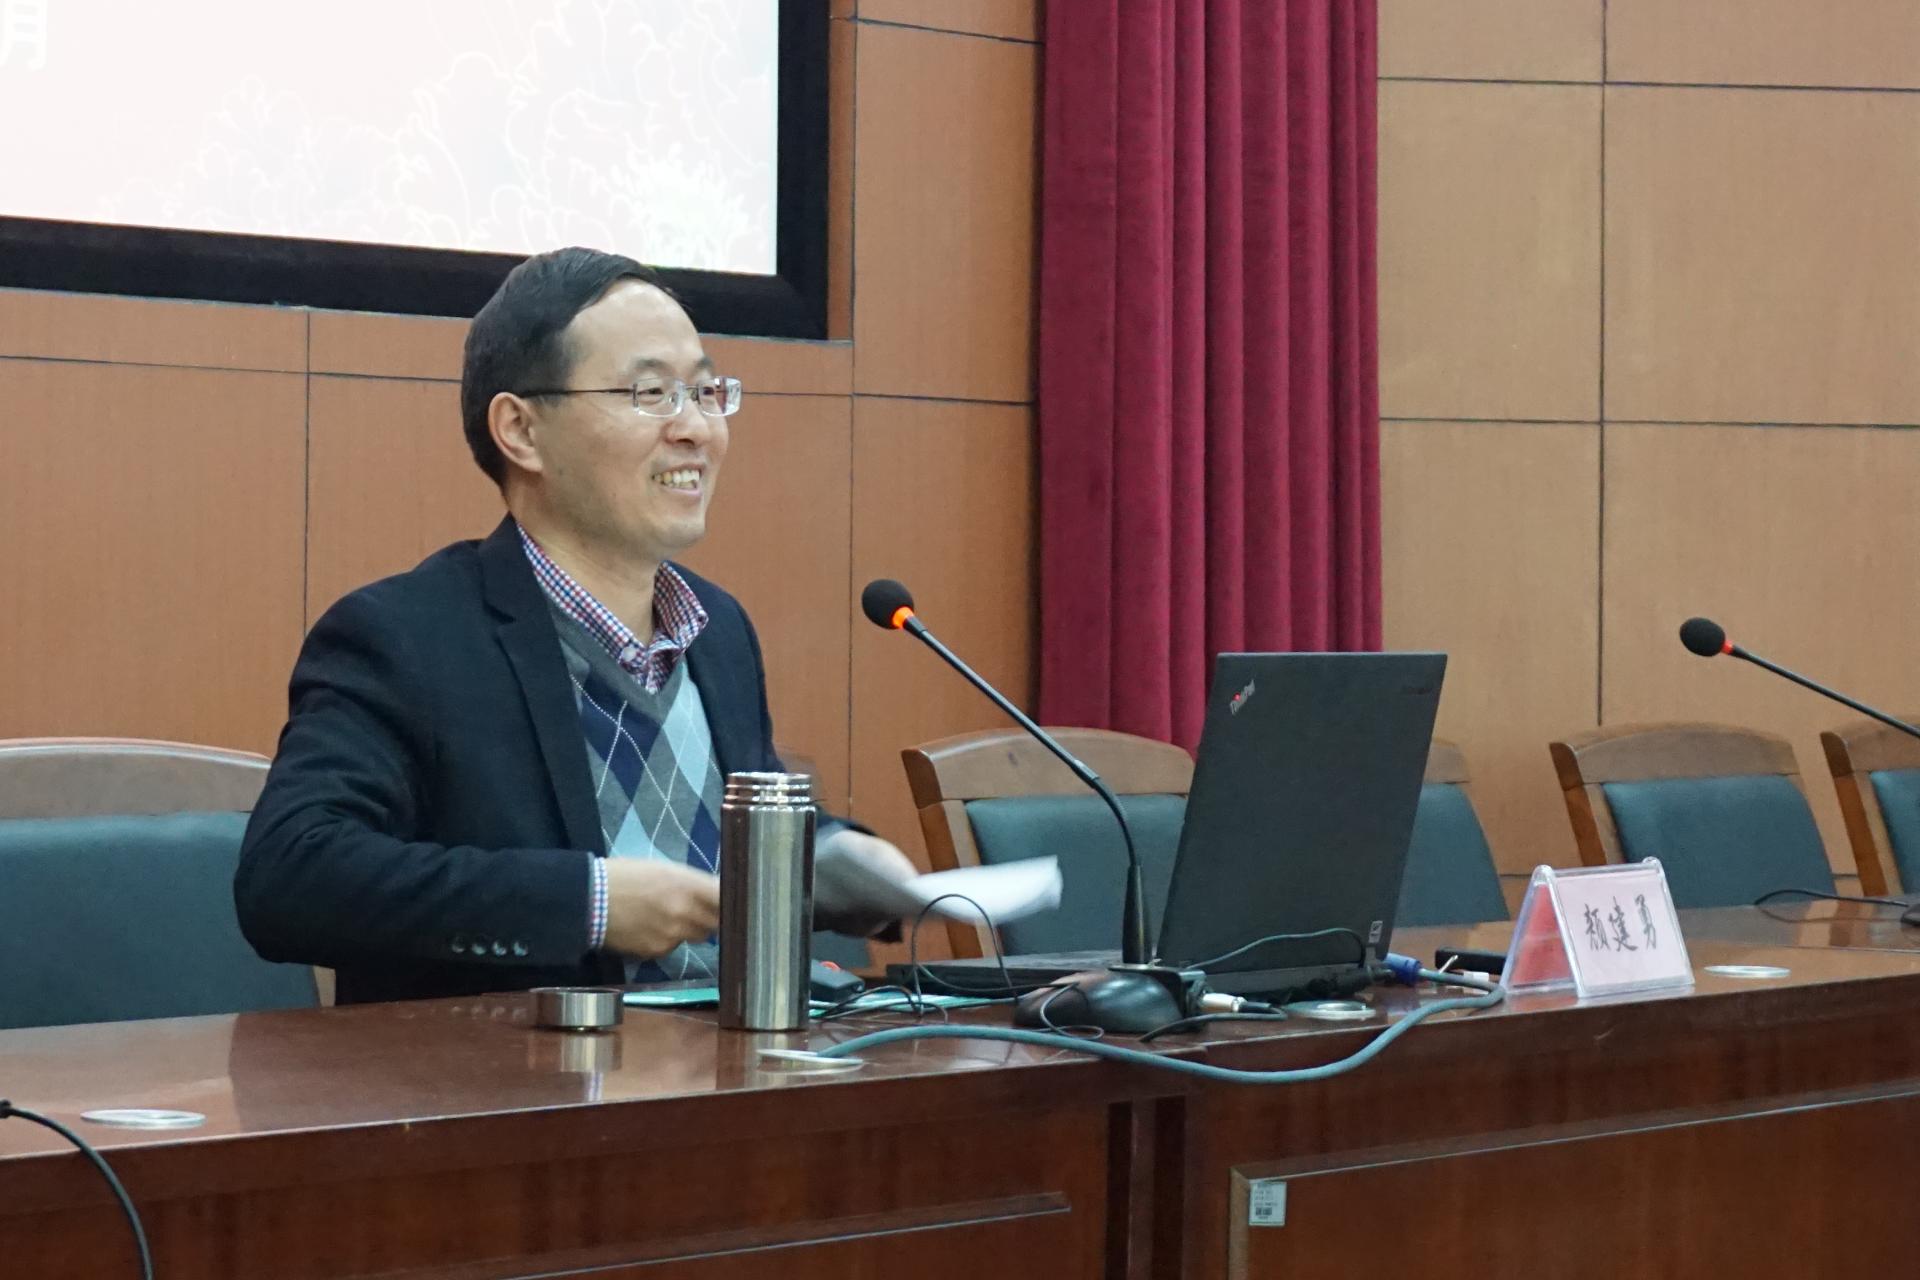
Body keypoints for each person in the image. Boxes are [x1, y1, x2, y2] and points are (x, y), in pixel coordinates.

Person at [235, 246, 917, 1005]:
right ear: (521, 430)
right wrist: (590, 902)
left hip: (738, 1061)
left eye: (704, 391)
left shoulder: (717, 630)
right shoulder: (403, 638)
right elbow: (291, 877)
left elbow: (728, 831)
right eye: (652, 393)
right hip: (524, 1074)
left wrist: (836, 853)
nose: (696, 429)